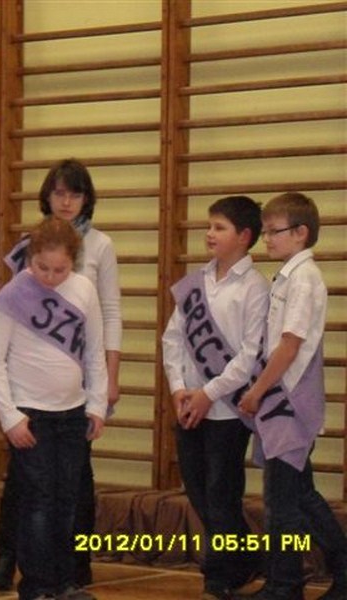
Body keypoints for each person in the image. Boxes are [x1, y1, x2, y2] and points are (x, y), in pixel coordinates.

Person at [0, 158, 122, 593]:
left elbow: (95, 352)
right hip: (30, 413)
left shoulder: (84, 288)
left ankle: (65, 581)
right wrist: (10, 416)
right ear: (30, 260)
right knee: (38, 499)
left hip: (72, 412)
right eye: (42, 269)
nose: (50, 277)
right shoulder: (15, 294)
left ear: (73, 263)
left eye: (59, 270)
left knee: (67, 499)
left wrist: (97, 404)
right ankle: (35, 583)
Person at [237, 192, 347, 600]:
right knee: (297, 495)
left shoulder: (304, 278)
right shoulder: (289, 275)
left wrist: (257, 390)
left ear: (300, 233)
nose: (266, 239)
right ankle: (315, 574)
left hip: (290, 398)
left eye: (273, 232)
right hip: (281, 397)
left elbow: (290, 344)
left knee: (283, 501)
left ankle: (285, 584)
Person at [162, 195, 268, 600]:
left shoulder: (255, 287)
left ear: (244, 236)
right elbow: (172, 338)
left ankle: (219, 574)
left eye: (219, 227)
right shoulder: (196, 282)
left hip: (227, 411)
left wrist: (208, 394)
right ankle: (244, 557)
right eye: (209, 226)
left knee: (222, 495)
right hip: (189, 406)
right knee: (198, 491)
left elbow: (249, 355)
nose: (209, 233)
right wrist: (178, 389)